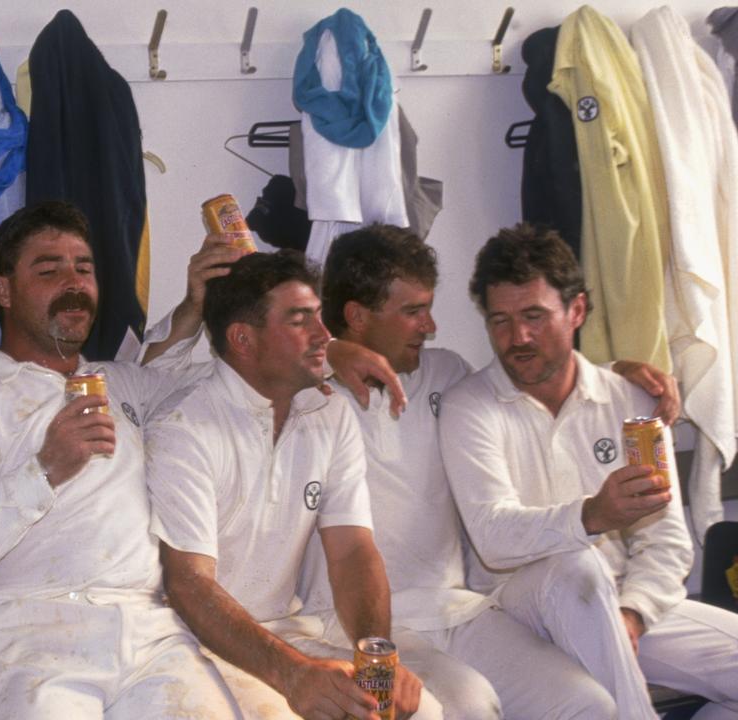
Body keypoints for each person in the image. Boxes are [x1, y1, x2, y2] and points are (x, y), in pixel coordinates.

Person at [0, 200, 245, 719]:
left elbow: (225, 386)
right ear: (3, 290)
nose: (74, 282)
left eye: (83, 269)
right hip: (30, 639)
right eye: (49, 270)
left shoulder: (118, 382)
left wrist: (201, 305)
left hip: (151, 631)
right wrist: (44, 471)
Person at [318, 223, 626, 718]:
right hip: (355, 627)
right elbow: (206, 374)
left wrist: (623, 371)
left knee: (587, 705)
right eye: (414, 311)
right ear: (357, 316)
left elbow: (534, 368)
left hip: (459, 610)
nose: (430, 325)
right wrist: (329, 350)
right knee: (471, 705)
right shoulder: (307, 397)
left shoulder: (448, 374)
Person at [439, 224, 738, 719]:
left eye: (535, 316)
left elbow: (666, 542)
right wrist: (593, 514)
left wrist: (633, 614)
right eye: (501, 321)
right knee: (576, 565)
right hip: (516, 615)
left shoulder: (632, 401)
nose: (518, 338)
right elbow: (494, 537)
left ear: (576, 310)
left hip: (618, 600)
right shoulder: (468, 406)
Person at [145, 250, 430, 720]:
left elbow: (353, 550)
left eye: (319, 317)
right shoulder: (185, 425)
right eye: (301, 321)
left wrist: (377, 657)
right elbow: (189, 586)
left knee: (422, 711)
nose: (325, 336)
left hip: (284, 632)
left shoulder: (330, 412)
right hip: (192, 642)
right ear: (242, 339)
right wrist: (295, 675)